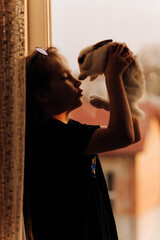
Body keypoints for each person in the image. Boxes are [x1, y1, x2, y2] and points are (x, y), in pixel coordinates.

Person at [23, 43, 141, 240]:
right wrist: (113, 77)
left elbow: (132, 134)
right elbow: (122, 135)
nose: (77, 82)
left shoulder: (68, 132)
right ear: (42, 95)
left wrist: (126, 81)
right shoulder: (52, 137)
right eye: (65, 78)